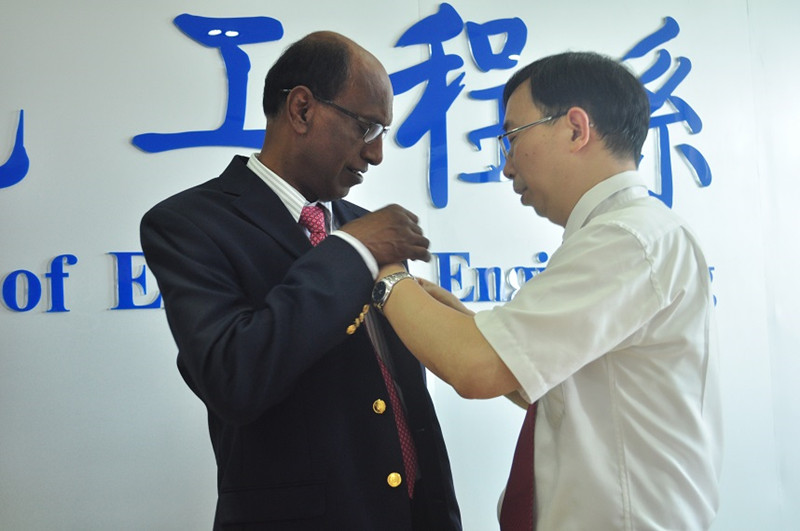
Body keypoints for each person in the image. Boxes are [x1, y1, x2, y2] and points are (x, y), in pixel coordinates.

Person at [373, 52, 722, 530]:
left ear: (576, 129)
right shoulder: (627, 233)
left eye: (513, 138)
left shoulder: (627, 238)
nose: (506, 166)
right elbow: (550, 386)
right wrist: (461, 322)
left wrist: (382, 267)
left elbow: (477, 368)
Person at [140, 31, 461, 530]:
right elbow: (234, 378)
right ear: (303, 109)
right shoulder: (189, 224)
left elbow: (401, 394)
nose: (376, 154)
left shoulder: (366, 226)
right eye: (367, 128)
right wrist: (352, 251)